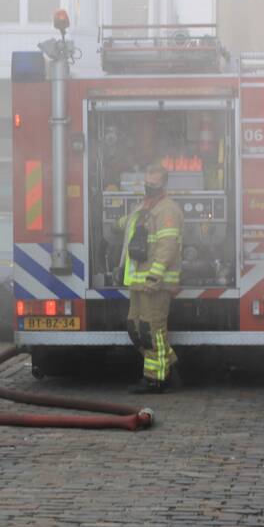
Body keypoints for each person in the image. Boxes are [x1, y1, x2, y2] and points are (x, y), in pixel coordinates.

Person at [120, 162, 183, 394]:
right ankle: (171, 366)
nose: (149, 186)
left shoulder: (168, 211)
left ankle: (155, 379)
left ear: (163, 184)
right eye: (146, 181)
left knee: (151, 330)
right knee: (135, 328)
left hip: (155, 283)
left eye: (153, 183)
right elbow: (127, 228)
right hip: (137, 282)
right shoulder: (144, 208)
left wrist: (154, 276)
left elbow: (167, 246)